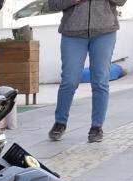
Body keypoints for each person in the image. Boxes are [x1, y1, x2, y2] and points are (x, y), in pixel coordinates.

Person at [47, 0, 126, 144]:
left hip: (105, 31)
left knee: (100, 81)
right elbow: (53, 4)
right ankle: (60, 122)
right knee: (69, 81)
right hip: (72, 32)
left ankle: (97, 127)